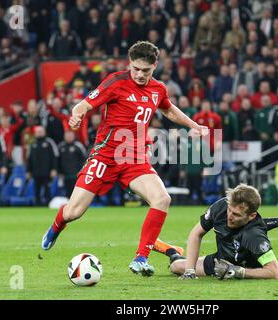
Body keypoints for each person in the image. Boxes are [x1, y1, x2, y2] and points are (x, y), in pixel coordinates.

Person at [41, 41, 208, 276]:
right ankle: (57, 225)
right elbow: (83, 105)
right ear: (129, 64)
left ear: (155, 66)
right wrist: (76, 117)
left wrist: (193, 124)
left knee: (162, 199)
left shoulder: (158, 89)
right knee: (73, 212)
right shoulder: (116, 82)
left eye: (145, 71)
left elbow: (168, 110)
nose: (140, 75)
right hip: (106, 155)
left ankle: (141, 258)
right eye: (136, 69)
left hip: (134, 157)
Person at [152, 184, 278, 280]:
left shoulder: (254, 235)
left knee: (178, 266)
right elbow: (196, 233)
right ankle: (173, 251)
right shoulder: (220, 208)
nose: (230, 216)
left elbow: (275, 273)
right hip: (220, 261)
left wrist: (239, 272)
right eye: (230, 210)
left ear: (251, 216)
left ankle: (175, 252)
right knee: (176, 267)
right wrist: (190, 271)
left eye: (236, 214)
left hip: (238, 265)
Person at [27, 126, 59, 206]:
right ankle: (37, 205)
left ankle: (48, 204)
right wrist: (28, 171)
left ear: (44, 132)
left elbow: (55, 156)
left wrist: (54, 169)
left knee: (47, 189)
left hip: (47, 171)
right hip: (36, 171)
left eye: (41, 131)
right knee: (36, 189)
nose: (39, 133)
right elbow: (29, 158)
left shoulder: (49, 142)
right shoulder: (33, 143)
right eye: (38, 132)